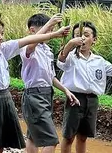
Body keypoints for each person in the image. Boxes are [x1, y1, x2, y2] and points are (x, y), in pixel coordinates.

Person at [0, 15, 70, 153]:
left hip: (4, 98)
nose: (0, 38)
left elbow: (28, 40)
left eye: (2, 34)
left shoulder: (2, 49)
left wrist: (54, 34)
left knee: (0, 143)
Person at [57, 22, 112, 153]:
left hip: (92, 101)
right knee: (69, 136)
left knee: (83, 137)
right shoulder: (71, 57)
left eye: (86, 35)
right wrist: (70, 44)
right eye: (77, 35)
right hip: (74, 99)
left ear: (94, 40)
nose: (81, 38)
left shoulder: (99, 60)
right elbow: (61, 59)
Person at [20, 14, 80, 153]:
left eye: (51, 29)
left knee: (33, 136)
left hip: (46, 95)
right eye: (47, 29)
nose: (50, 33)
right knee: (51, 140)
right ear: (32, 30)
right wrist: (51, 23)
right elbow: (31, 45)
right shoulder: (28, 48)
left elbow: (50, 77)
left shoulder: (47, 51)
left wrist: (66, 90)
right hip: (34, 96)